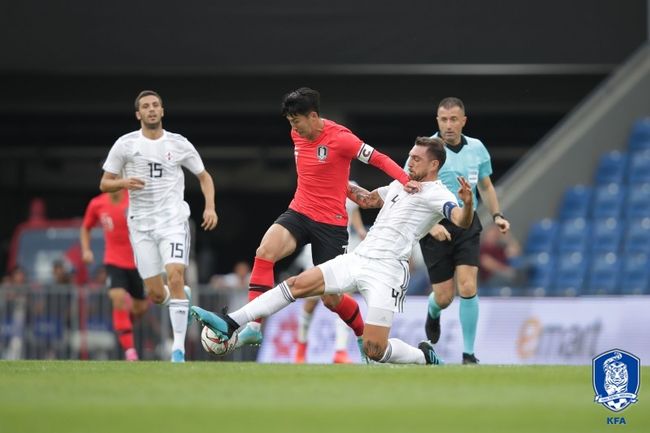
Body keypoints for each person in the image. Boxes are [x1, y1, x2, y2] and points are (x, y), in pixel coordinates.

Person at [191, 136, 474, 366]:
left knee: (375, 349)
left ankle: (423, 357)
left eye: (416, 158)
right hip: (359, 257)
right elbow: (366, 199)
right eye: (410, 156)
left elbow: (461, 219)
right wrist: (336, 178)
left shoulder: (439, 194)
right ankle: (232, 322)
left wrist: (468, 203)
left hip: (388, 270)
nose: (409, 162)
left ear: (434, 164)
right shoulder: (400, 184)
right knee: (297, 284)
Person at [235, 87, 419, 359]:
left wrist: (406, 181)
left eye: (296, 121)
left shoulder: (342, 138)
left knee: (330, 298)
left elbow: (378, 159)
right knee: (265, 252)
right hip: (299, 211)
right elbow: (318, 174)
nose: (294, 128)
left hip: (330, 225)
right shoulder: (296, 133)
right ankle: (253, 325)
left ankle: (359, 336)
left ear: (312, 116)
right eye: (290, 123)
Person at [99, 90, 218, 362]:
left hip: (173, 221)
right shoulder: (126, 145)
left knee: (175, 274)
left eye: (155, 105)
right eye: (145, 107)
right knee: (154, 294)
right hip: (141, 226)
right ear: (138, 114)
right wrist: (123, 183)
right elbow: (105, 183)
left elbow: (204, 176)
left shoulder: (178, 144)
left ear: (162, 111)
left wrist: (210, 206)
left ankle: (178, 350)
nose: (151, 110)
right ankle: (179, 299)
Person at [418, 97, 510, 364]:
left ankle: (469, 354)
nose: (448, 125)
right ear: (437, 121)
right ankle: (433, 310)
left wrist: (497, 215)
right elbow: (409, 189)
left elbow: (486, 185)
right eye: (443, 119)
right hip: (435, 226)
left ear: (463, 121)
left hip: (467, 221)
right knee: (445, 297)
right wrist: (431, 225)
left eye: (453, 119)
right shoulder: (424, 150)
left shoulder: (477, 148)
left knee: (468, 286)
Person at [293, 187, 367, 364]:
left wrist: (362, 232)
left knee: (342, 297)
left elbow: (355, 217)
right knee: (311, 300)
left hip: (341, 249)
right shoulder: (318, 182)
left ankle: (340, 351)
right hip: (317, 247)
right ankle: (301, 346)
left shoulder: (351, 186)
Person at [80, 189, 148, 361]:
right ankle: (130, 352)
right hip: (113, 261)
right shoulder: (97, 203)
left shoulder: (134, 197)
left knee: (139, 308)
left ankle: (125, 322)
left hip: (138, 262)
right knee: (117, 298)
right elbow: (85, 227)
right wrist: (86, 250)